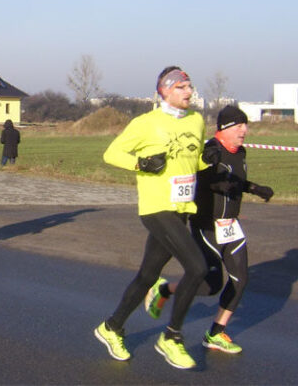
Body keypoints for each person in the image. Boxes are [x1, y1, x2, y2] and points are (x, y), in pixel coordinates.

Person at [94, 66, 208, 370]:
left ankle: (112, 327)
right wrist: (142, 162)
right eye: (182, 87)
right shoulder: (146, 123)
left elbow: (193, 160)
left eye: (190, 86)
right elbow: (112, 153)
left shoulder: (197, 121)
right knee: (197, 268)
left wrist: (210, 161)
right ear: (165, 91)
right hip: (157, 207)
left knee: (147, 276)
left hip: (183, 208)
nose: (189, 92)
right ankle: (172, 337)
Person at [144, 105, 274, 355]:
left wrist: (255, 188)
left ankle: (215, 333)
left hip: (232, 226)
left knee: (241, 280)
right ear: (224, 129)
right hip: (207, 225)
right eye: (238, 126)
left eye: (245, 125)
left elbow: (236, 180)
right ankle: (163, 289)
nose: (244, 130)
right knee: (211, 286)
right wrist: (215, 185)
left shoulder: (241, 152)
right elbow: (194, 177)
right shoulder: (210, 150)